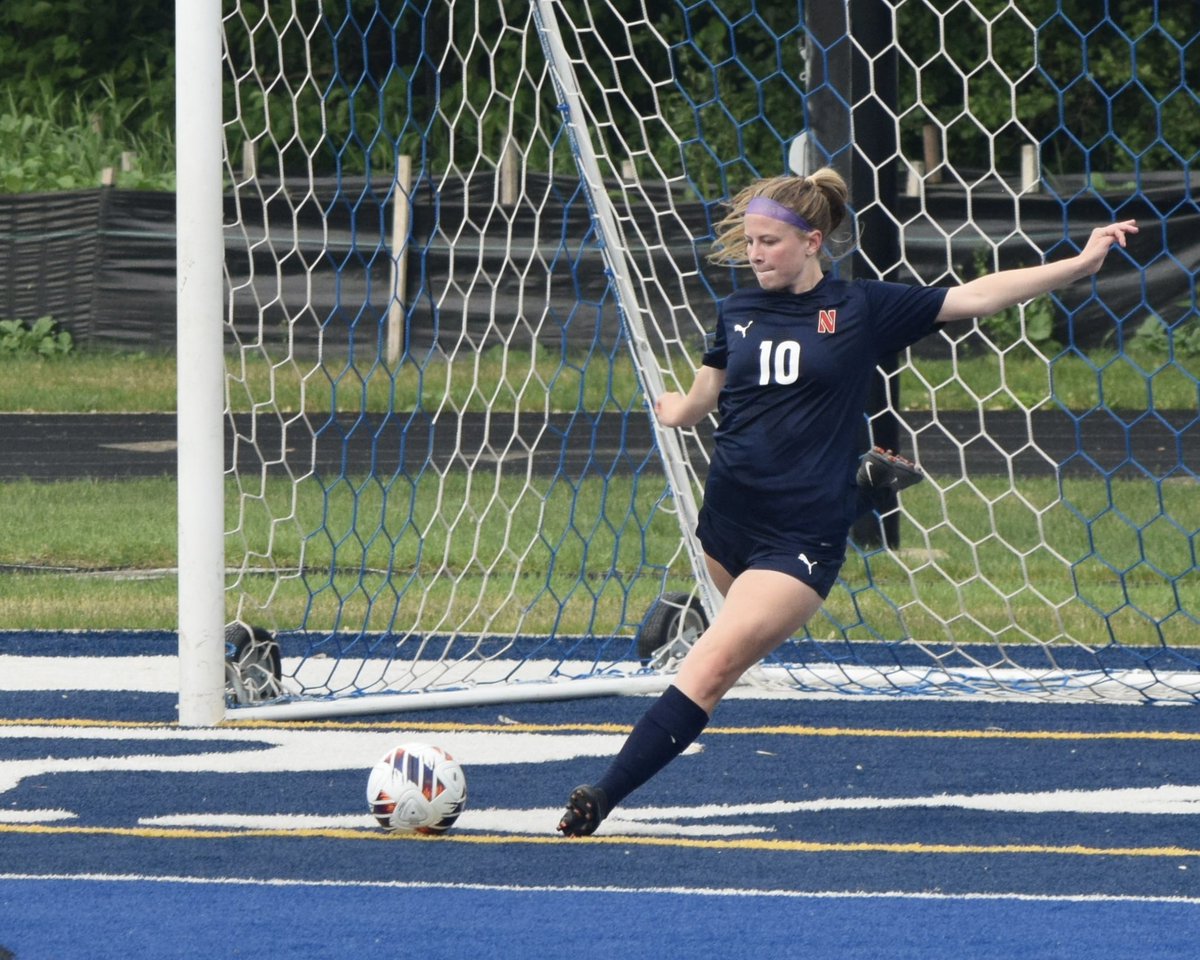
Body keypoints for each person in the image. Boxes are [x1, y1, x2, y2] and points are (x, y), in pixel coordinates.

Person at [555, 166, 1138, 837]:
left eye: (770, 242)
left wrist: (1083, 260)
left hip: (797, 536)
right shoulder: (737, 312)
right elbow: (705, 395)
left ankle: (601, 795)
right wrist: (676, 410)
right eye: (749, 242)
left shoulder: (859, 308)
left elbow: (976, 297)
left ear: (812, 241)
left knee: (709, 668)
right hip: (725, 519)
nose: (755, 254)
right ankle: (829, 508)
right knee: (683, 638)